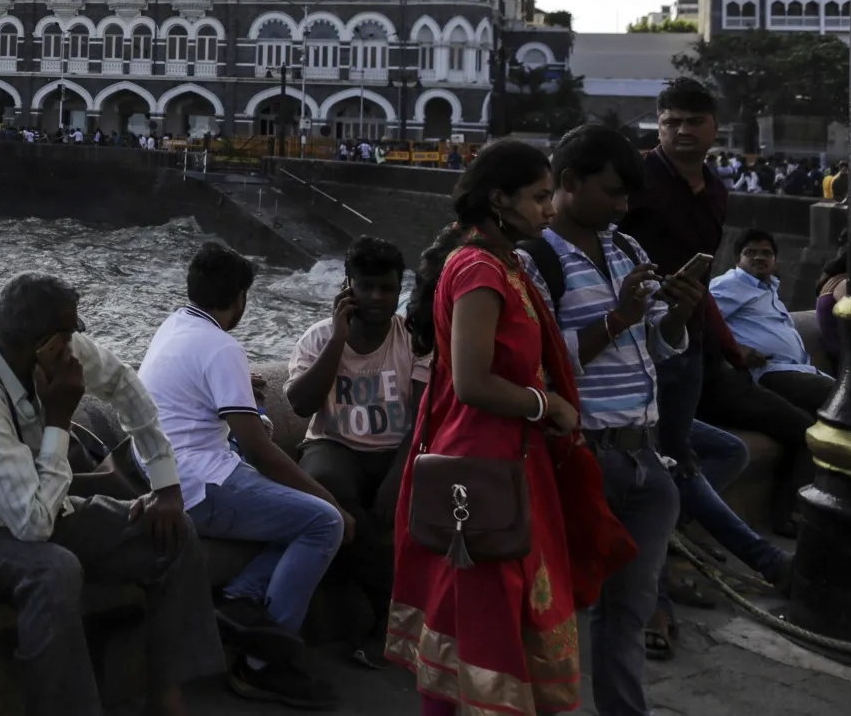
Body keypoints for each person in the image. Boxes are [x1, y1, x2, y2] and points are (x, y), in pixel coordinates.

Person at [0, 272, 222, 716]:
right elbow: (34, 527)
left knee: (172, 534)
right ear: (42, 344)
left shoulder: (58, 354)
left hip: (44, 505)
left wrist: (167, 487)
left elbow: (124, 384)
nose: (76, 341)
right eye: (68, 332)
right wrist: (59, 419)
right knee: (53, 572)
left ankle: (167, 697)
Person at [387, 140, 600, 716]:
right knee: (480, 623)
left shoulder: (502, 264)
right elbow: (473, 383)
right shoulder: (480, 268)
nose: (549, 208)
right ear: (499, 199)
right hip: (484, 467)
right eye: (537, 197)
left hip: (506, 460)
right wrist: (545, 405)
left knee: (471, 624)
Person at [533, 125, 706, 716]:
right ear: (570, 183)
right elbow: (540, 364)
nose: (623, 206)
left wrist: (676, 316)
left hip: (644, 453)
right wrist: (617, 316)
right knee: (550, 610)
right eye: (612, 192)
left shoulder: (627, 249)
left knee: (628, 613)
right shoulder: (535, 261)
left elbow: (657, 344)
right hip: (582, 453)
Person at [139, 243, 347, 708]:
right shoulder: (221, 346)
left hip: (166, 474)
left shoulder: (174, 327)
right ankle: (262, 665)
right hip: (201, 486)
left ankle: (241, 597)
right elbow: (258, 448)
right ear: (239, 299)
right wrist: (333, 503)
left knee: (293, 513)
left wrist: (237, 388)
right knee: (321, 522)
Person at [283, 236, 429, 666]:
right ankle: (392, 611)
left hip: (395, 449)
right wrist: (338, 339)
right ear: (348, 286)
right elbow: (300, 405)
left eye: (386, 289)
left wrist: (396, 480)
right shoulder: (319, 337)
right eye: (365, 287)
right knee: (326, 486)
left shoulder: (413, 341)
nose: (376, 298)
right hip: (335, 445)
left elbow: (421, 419)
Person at [712, 229, 837, 418]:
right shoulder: (729, 284)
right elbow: (700, 320)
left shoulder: (769, 291)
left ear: (775, 261)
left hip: (799, 370)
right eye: (751, 253)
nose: (760, 257)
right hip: (768, 373)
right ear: (738, 259)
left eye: (766, 253)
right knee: (842, 398)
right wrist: (736, 349)